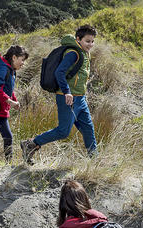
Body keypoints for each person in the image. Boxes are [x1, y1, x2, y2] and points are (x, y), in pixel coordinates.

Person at [20, 25, 99, 164]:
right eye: (88, 41)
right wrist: (67, 92)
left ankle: (95, 161)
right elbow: (59, 72)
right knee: (63, 131)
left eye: (92, 41)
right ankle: (31, 144)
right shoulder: (73, 53)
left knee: (88, 129)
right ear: (78, 39)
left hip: (80, 99)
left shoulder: (85, 52)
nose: (91, 44)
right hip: (67, 98)